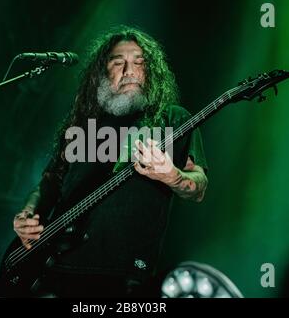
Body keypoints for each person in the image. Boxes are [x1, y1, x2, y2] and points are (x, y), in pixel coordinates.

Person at [12, 26, 208, 297]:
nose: (129, 70)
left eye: (139, 63)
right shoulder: (81, 124)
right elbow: (49, 182)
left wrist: (171, 175)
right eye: (118, 62)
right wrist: (27, 214)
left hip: (124, 275)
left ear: (151, 71)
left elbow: (199, 186)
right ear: (101, 73)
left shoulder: (173, 120)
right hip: (55, 268)